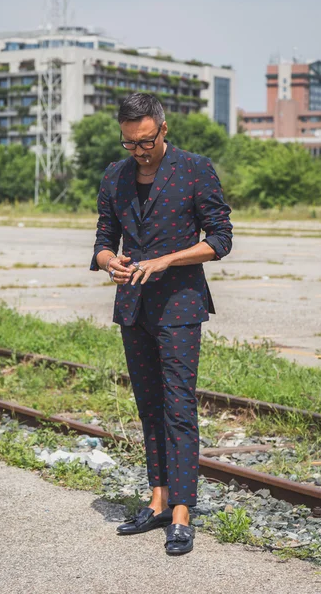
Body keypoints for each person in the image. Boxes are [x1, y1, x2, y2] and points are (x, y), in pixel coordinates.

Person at [90, 93, 233, 555]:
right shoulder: (115, 175)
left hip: (180, 305)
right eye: (130, 144)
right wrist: (110, 260)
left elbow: (221, 238)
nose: (139, 151)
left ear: (163, 130)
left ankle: (182, 515)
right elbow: (102, 239)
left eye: (146, 142)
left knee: (178, 407)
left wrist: (168, 260)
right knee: (149, 406)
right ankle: (157, 501)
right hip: (132, 305)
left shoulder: (196, 169)